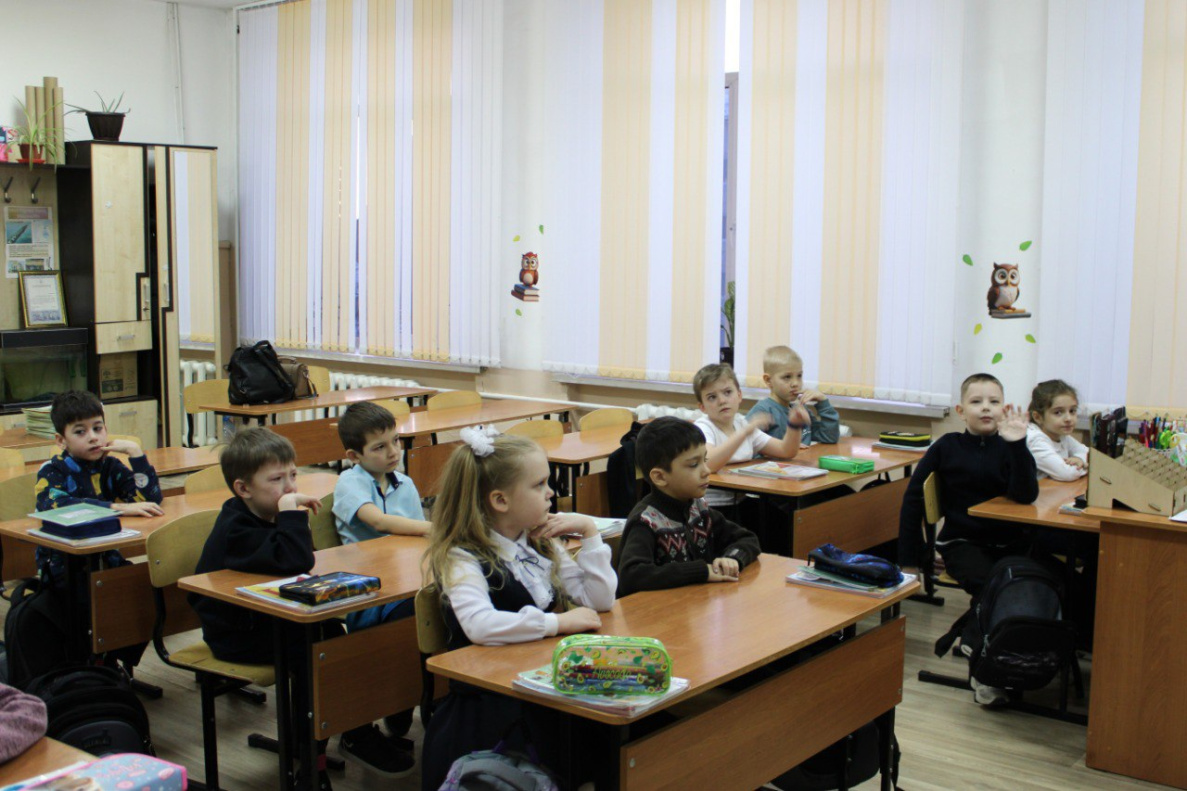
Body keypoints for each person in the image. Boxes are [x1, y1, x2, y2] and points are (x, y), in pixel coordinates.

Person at [188, 428, 411, 789]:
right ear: (243, 489)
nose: (290, 486)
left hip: (274, 620)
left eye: (293, 475)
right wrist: (292, 515)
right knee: (317, 652)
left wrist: (288, 514)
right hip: (235, 634)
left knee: (333, 639)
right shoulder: (237, 528)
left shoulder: (268, 512)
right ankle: (312, 761)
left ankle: (343, 731)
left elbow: (297, 563)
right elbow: (295, 560)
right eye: (276, 479)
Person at [420, 427, 616, 790]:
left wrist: (590, 533)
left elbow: (599, 601)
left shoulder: (539, 542)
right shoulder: (462, 556)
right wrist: (557, 622)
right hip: (491, 704)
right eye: (539, 485)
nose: (551, 493)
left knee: (622, 737)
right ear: (500, 500)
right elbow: (480, 625)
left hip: (537, 685)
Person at [898, 373, 1038, 707]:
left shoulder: (1011, 445)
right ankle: (986, 673)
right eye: (977, 402)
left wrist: (1017, 446)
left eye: (993, 401)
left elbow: (1026, 495)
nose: (986, 408)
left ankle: (971, 638)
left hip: (1007, 545)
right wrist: (909, 559)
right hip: (961, 544)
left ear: (1003, 408)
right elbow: (913, 501)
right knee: (997, 589)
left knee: (1025, 583)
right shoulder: (946, 447)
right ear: (961, 411)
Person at [332, 401, 428, 737]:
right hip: (367, 590)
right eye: (379, 447)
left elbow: (418, 539)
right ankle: (397, 699)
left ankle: (420, 694)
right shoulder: (349, 482)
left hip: (406, 578)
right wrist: (436, 528)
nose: (393, 452)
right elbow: (378, 521)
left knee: (439, 603)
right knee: (411, 616)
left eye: (396, 441)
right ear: (354, 455)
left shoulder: (405, 484)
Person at [616, 416, 761, 596]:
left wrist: (732, 559)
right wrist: (701, 571)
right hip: (659, 611)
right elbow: (632, 576)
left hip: (694, 605)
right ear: (660, 477)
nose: (706, 470)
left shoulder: (698, 509)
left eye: (705, 460)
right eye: (693, 465)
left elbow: (747, 539)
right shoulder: (646, 521)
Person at [34, 390, 163, 590]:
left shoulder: (110, 466)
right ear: (61, 440)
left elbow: (150, 499)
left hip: (107, 559)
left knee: (145, 585)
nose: (93, 437)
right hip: (64, 570)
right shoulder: (53, 470)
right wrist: (116, 508)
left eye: (97, 428)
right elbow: (58, 506)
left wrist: (136, 453)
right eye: (80, 432)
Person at [692, 363, 807, 516]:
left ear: (739, 395)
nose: (722, 400)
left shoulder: (741, 423)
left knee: (785, 518)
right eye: (712, 397)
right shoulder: (703, 427)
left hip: (740, 499)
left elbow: (786, 451)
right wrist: (745, 432)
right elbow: (709, 463)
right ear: (702, 407)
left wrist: (795, 425)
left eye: (727, 392)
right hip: (712, 506)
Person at [747, 345, 840, 445]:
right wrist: (789, 448)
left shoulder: (800, 408)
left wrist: (823, 402)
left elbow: (829, 437)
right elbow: (745, 446)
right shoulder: (763, 410)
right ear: (768, 380)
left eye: (799, 376)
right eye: (787, 377)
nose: (796, 383)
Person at [1026, 379, 1088, 481]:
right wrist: (1085, 466)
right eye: (1058, 412)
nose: (1068, 418)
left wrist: (1079, 459)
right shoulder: (1034, 439)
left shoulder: (1060, 434)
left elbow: (1088, 453)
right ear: (1038, 417)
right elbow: (1067, 474)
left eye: (1072, 411)